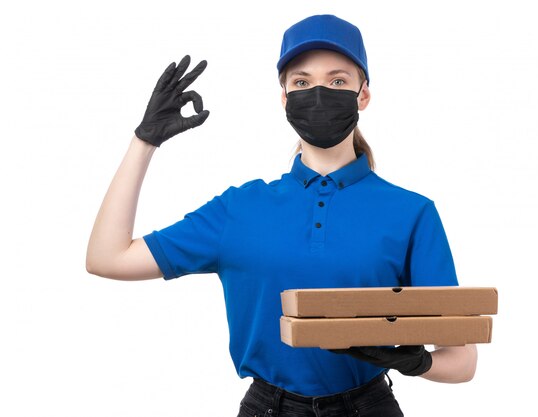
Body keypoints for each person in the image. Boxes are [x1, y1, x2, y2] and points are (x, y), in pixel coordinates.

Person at [86, 14, 478, 417]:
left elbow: (463, 362)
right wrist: (144, 141)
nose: (319, 92)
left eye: (338, 81)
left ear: (363, 95)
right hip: (267, 408)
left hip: (369, 406)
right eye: (302, 82)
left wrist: (420, 363)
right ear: (285, 98)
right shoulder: (239, 209)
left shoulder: (411, 213)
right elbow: (107, 257)